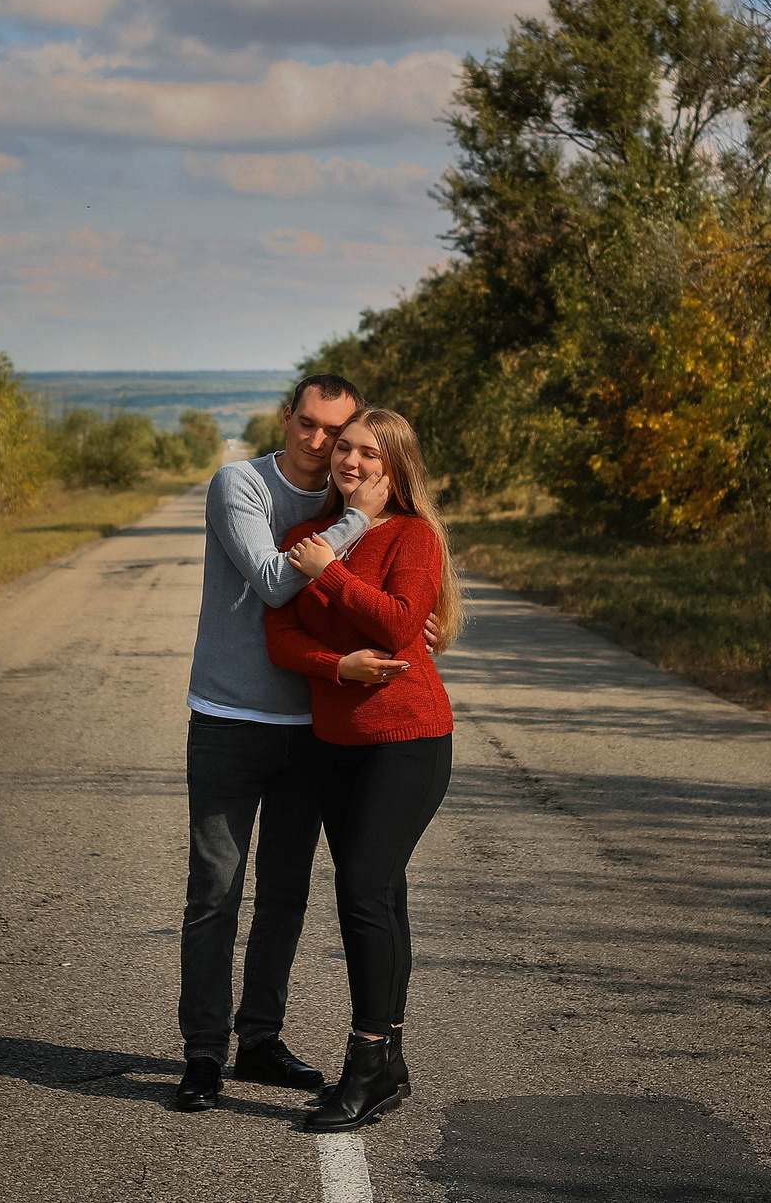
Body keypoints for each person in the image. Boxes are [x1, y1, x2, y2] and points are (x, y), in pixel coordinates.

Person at [173, 373, 371, 1113]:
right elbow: (273, 580)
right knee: (215, 893)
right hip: (227, 719)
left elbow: (380, 585)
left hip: (311, 727)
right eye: (310, 425)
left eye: (338, 433)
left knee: (285, 894)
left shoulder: (340, 500)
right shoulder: (240, 485)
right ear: (287, 417)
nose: (321, 444)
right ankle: (202, 1054)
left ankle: (258, 1041)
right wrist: (357, 520)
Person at [264, 407, 460, 1133]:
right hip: (334, 741)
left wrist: (333, 573)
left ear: (395, 467)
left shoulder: (412, 536)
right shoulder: (301, 540)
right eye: (344, 448)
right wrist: (336, 665)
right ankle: (392, 1061)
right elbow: (279, 636)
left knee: (363, 889)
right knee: (382, 896)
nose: (351, 461)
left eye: (369, 453)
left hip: (409, 737)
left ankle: (366, 1059)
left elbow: (402, 622)